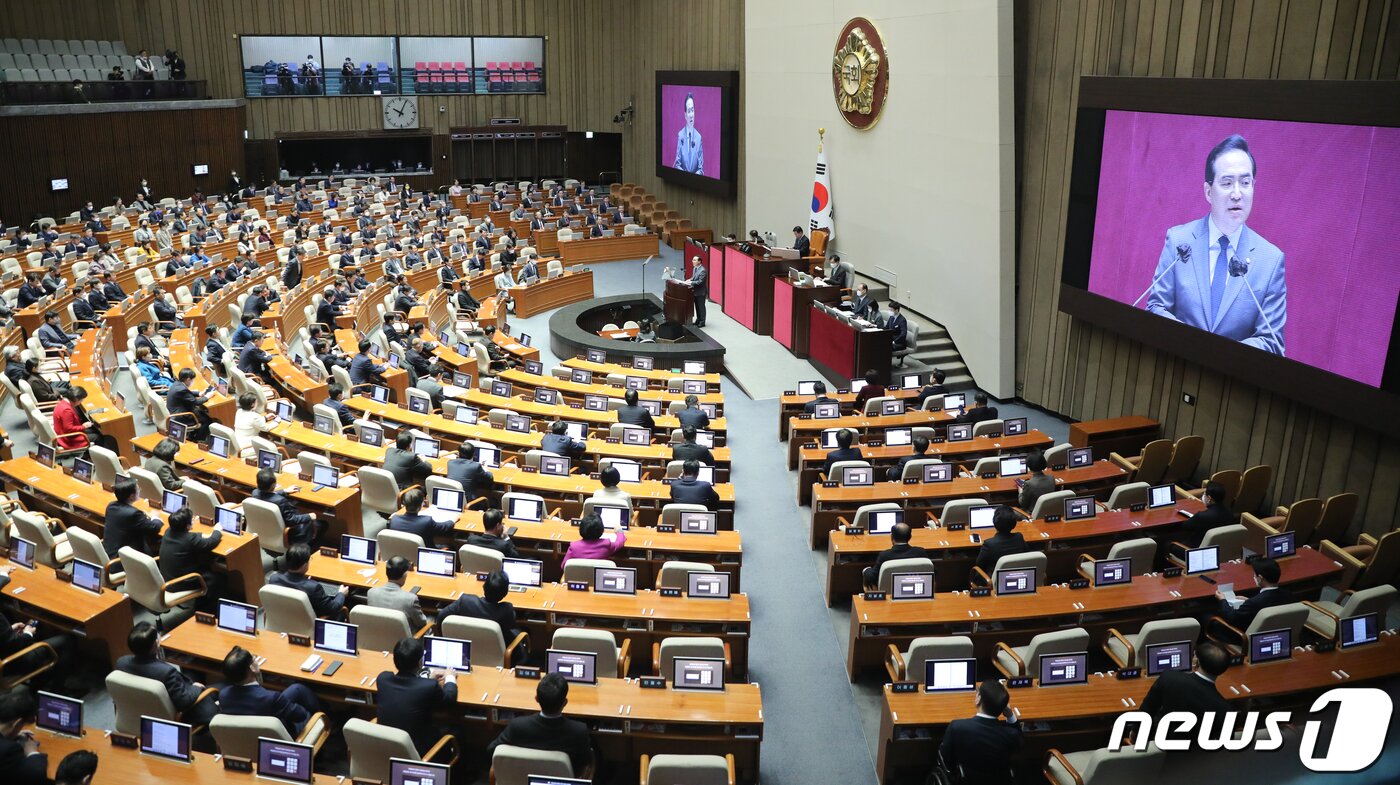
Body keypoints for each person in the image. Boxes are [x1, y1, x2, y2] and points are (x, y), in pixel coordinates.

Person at [1146, 134, 1285, 355]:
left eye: (1245, 183)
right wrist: (1190, 343)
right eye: (1227, 183)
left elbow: (1272, 341)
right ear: (1208, 192)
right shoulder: (1179, 241)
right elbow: (1156, 307)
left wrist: (1221, 354)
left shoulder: (1271, 261)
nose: (1237, 194)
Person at [487, 673, 594, 777]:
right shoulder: (578, 731)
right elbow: (585, 763)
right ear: (565, 703)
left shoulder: (517, 726)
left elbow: (492, 750)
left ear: (536, 698)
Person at [117, 622, 219, 728]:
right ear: (154, 645)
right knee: (221, 688)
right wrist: (196, 687)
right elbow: (184, 701)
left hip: (144, 706)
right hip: (181, 709)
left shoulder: (122, 663)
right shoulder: (167, 673)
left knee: (193, 669)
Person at [376, 637, 458, 756]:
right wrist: (450, 677)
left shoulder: (383, 679)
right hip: (416, 750)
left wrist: (425, 680)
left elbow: (409, 689)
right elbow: (449, 700)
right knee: (457, 730)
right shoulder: (429, 687)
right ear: (420, 663)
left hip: (386, 746)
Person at [219, 645, 323, 735]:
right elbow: (300, 716)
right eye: (254, 658)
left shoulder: (223, 695)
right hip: (281, 736)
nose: (256, 659)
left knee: (297, 688)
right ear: (252, 668)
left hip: (245, 736)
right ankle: (327, 719)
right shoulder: (271, 698)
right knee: (309, 713)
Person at [938, 680, 1021, 782]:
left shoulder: (957, 727)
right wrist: (1010, 715)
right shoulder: (1010, 734)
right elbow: (1019, 739)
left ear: (978, 699)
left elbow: (946, 757)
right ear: (1003, 708)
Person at [159, 506, 224, 606]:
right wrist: (217, 531)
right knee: (217, 578)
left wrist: (199, 534)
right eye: (192, 520)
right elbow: (210, 543)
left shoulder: (169, 531)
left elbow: (191, 537)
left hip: (167, 577)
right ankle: (206, 608)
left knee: (205, 563)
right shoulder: (189, 539)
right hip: (181, 582)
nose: (193, 521)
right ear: (187, 526)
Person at [439, 569, 521, 643]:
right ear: (505, 593)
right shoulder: (507, 610)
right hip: (495, 652)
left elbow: (441, 616)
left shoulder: (465, 601)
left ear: (484, 586)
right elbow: (511, 626)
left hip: (466, 648)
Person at [1212, 556, 1294, 630]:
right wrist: (1249, 600)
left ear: (1260, 578)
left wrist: (1222, 600)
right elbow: (1266, 603)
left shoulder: (1254, 603)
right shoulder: (1288, 595)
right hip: (1277, 630)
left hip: (1244, 636)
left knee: (1207, 617)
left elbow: (1232, 618)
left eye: (1254, 575)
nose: (1253, 577)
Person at [269, 543, 349, 617]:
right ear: (304, 565)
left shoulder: (274, 579)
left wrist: (306, 581)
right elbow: (332, 608)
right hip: (307, 623)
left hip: (283, 618)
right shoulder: (313, 587)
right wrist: (341, 594)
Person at [253, 469, 325, 545]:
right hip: (289, 532)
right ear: (273, 485)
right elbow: (292, 521)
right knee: (322, 524)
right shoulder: (281, 501)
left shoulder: (255, 493)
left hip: (265, 529)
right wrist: (309, 516)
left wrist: (284, 491)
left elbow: (267, 495)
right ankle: (307, 551)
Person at [367, 556, 430, 631]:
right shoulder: (410, 599)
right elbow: (421, 623)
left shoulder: (371, 593)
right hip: (404, 641)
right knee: (432, 619)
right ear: (404, 575)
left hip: (378, 635)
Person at [104, 478, 162, 556]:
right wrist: (155, 517)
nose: (140, 490)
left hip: (110, 551)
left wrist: (142, 516)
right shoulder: (134, 514)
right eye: (138, 489)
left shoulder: (111, 506)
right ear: (131, 496)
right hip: (125, 559)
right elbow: (154, 527)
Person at [0, 691, 48, 785]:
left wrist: (10, 735)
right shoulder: (10, 749)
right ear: (18, 723)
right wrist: (32, 752)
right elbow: (34, 776)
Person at [862, 522, 929, 586]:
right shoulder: (920, 552)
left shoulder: (884, 555)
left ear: (892, 537)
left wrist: (866, 570)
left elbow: (872, 576)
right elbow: (932, 571)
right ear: (910, 537)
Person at [975, 506, 1032, 576]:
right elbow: (1028, 555)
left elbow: (979, 565)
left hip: (994, 579)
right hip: (1016, 575)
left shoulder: (989, 544)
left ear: (994, 522)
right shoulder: (1019, 537)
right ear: (1014, 524)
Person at [389, 487, 454, 549]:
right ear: (421, 504)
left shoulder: (394, 519)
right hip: (425, 554)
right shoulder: (427, 521)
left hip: (402, 554)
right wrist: (453, 519)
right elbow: (445, 527)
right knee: (451, 546)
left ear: (404, 504)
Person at [1177, 482, 1235, 547]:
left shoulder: (1202, 516)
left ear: (1209, 498)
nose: (1202, 496)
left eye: (1204, 494)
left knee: (1166, 542)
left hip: (1195, 549)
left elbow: (1184, 526)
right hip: (1218, 547)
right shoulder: (1229, 512)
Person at [167, 368, 214, 442]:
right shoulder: (182, 389)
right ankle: (198, 439)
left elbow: (187, 393)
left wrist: (199, 393)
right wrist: (207, 396)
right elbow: (197, 402)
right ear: (188, 379)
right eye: (192, 380)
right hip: (180, 415)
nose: (193, 381)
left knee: (201, 412)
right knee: (208, 420)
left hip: (176, 410)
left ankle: (192, 435)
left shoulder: (177, 384)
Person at [562, 512, 626, 565]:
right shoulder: (606, 545)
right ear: (601, 530)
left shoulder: (574, 546)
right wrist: (619, 531)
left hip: (578, 579)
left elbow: (564, 566)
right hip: (599, 579)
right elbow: (619, 543)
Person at [54, 386, 98, 451]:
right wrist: (83, 426)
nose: (80, 403)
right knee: (97, 437)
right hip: (68, 439)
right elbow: (68, 429)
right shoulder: (66, 410)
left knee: (93, 430)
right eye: (81, 400)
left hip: (62, 432)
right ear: (77, 400)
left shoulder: (62, 402)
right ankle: (91, 455)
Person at [672, 92, 704, 174]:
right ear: (685, 115)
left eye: (692, 110)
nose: (691, 115)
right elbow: (677, 164)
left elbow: (701, 169)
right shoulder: (680, 135)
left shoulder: (698, 137)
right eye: (689, 111)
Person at [234, 393, 271, 457]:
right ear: (253, 404)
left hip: (237, 445)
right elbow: (266, 428)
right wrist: (276, 422)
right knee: (271, 446)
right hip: (247, 447)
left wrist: (265, 418)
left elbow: (250, 421)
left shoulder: (239, 412)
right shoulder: (254, 416)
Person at [683, 255, 709, 326]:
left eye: (694, 260)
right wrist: (690, 279)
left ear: (699, 261)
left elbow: (700, 282)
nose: (692, 261)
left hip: (700, 292)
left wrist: (691, 282)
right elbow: (694, 277)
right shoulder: (695, 268)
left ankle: (702, 322)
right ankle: (698, 320)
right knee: (697, 307)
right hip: (695, 292)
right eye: (693, 260)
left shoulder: (703, 270)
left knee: (701, 307)